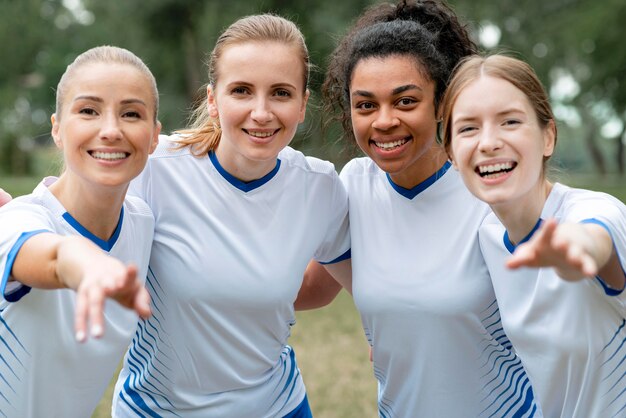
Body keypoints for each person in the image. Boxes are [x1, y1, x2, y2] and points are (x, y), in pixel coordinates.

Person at [296, 1, 543, 416]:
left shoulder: (490, 191)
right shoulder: (352, 186)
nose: (384, 121)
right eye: (366, 105)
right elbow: (312, 288)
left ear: (441, 103)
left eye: (406, 101)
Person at [111, 14, 350, 417]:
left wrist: (248, 296)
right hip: (155, 409)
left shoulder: (319, 185)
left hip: (278, 407)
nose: (261, 112)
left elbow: (330, 284)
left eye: (280, 93)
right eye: (241, 90)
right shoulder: (153, 168)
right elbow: (67, 218)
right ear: (212, 99)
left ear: (303, 104)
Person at [441, 54, 626, 418]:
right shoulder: (489, 235)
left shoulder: (596, 211)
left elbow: (596, 239)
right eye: (468, 128)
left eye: (510, 121)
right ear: (450, 153)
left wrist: (578, 249)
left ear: (548, 136)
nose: (489, 142)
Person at [0, 45, 160, 418]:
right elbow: (55, 257)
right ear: (57, 128)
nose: (110, 130)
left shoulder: (143, 221)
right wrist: (86, 264)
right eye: (88, 111)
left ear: (154, 136)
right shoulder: (18, 220)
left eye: (131, 114)